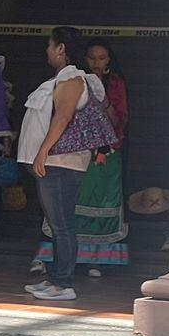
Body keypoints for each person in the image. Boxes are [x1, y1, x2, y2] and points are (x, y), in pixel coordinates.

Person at [17, 26, 106, 302]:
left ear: (61, 49)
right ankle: (56, 278)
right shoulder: (67, 78)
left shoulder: (72, 79)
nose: (47, 50)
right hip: (59, 162)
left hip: (61, 162)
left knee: (62, 224)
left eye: (50, 45)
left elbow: (63, 116)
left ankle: (64, 282)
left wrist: (43, 151)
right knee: (58, 224)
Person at [33, 40, 130, 278]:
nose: (97, 63)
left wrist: (104, 105)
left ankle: (97, 258)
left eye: (102, 58)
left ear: (109, 60)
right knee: (67, 209)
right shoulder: (77, 81)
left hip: (106, 153)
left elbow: (120, 118)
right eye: (92, 58)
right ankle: (52, 259)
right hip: (77, 153)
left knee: (102, 203)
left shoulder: (114, 84)